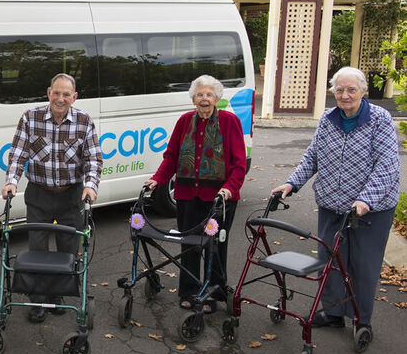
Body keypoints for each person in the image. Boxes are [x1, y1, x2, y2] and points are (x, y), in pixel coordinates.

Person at [271, 66, 399, 337]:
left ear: (363, 91)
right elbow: (312, 156)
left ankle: (361, 319)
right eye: (339, 90)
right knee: (330, 258)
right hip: (332, 204)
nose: (345, 95)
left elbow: (387, 165)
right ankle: (332, 312)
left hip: (370, 210)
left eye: (351, 89)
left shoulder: (380, 119)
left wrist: (366, 200)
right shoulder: (328, 119)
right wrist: (291, 183)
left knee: (363, 265)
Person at [1, 73, 102, 323]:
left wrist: (90, 186)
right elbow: (18, 154)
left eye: (66, 94)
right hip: (39, 194)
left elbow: (93, 158)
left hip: (71, 196)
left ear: (74, 97)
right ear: (48, 93)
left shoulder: (84, 121)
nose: (60, 98)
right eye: (56, 93)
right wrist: (11, 182)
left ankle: (57, 295)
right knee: (38, 248)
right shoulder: (30, 118)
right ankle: (38, 299)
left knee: (68, 249)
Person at [143, 74, 246, 314]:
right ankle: (189, 290)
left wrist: (229, 188)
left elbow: (239, 164)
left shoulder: (230, 122)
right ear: (193, 98)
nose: (204, 99)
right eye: (200, 94)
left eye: (209, 94)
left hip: (219, 200)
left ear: (217, 98)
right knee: (189, 245)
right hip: (187, 196)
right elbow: (171, 157)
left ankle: (213, 292)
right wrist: (157, 179)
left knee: (214, 246)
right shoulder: (184, 121)